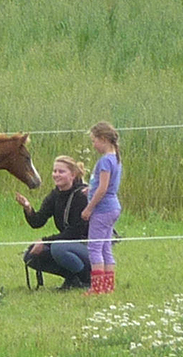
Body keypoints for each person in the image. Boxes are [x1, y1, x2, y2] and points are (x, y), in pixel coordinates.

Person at [14, 155, 91, 290]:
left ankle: (85, 278)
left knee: (58, 249)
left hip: (88, 246)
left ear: (72, 175)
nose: (56, 175)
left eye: (61, 171)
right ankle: (72, 279)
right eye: (55, 171)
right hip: (68, 244)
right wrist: (27, 207)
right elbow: (37, 222)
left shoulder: (81, 196)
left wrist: (44, 241)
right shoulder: (55, 194)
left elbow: (74, 233)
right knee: (30, 255)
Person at [81, 121, 122, 294]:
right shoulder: (115, 158)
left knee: (94, 248)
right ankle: (108, 286)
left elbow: (103, 188)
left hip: (102, 209)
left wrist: (89, 208)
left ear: (104, 139)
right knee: (106, 247)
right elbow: (106, 185)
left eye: (94, 141)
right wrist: (90, 190)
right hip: (113, 207)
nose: (93, 145)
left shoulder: (105, 161)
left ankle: (97, 288)